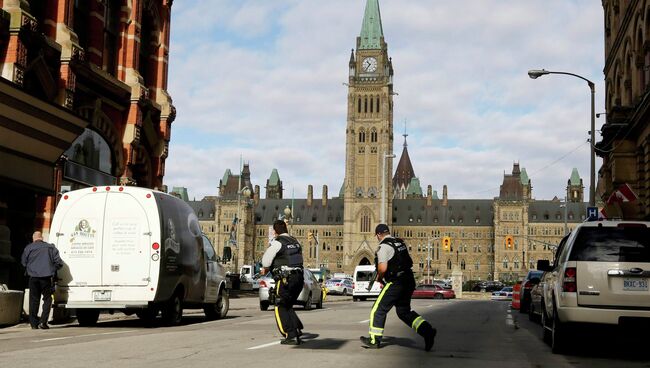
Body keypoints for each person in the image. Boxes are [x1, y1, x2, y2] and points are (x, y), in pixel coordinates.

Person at [360, 224, 436, 351]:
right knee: (404, 312)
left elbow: (383, 268)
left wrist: (379, 276)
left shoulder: (383, 246)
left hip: (397, 282)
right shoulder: (399, 242)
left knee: (378, 309)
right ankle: (427, 331)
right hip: (408, 280)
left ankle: (374, 340)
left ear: (378, 235)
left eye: (377, 236)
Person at [261, 220, 305, 345]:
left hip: (286, 279)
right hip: (299, 278)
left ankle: (290, 335)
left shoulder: (277, 243)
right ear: (286, 228)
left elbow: (265, 262)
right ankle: (296, 329)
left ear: (275, 232)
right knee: (288, 305)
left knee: (280, 305)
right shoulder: (296, 242)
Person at [21, 231, 63, 330]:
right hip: (46, 278)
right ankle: (43, 322)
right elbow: (59, 263)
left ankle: (34, 324)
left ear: (33, 238)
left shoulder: (28, 248)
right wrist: (52, 269)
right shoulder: (51, 247)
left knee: (34, 300)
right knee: (48, 299)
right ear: (42, 238)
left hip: (33, 278)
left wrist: (31, 269)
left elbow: (23, 263)